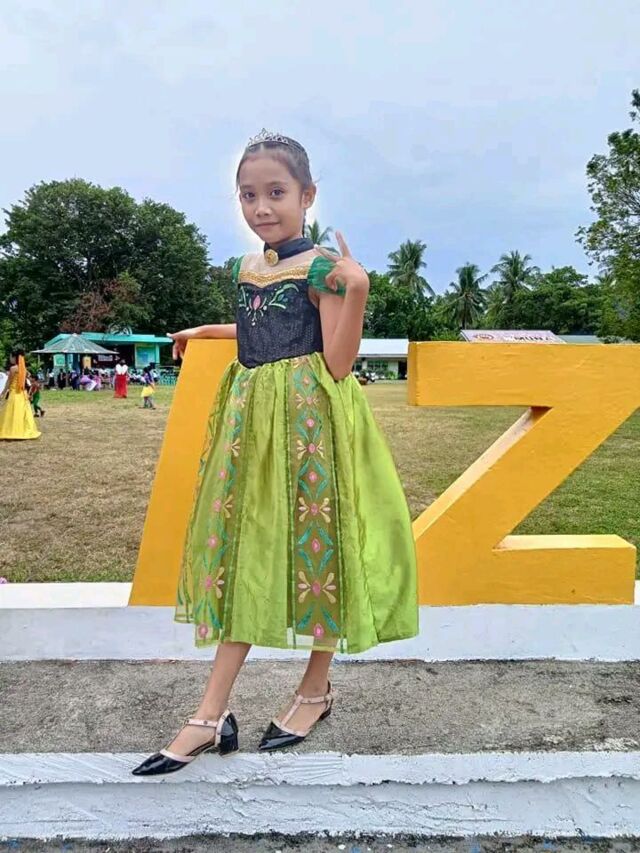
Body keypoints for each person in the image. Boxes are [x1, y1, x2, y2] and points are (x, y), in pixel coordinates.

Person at [132, 130, 418, 777]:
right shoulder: (246, 267)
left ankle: (309, 691)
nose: (261, 207)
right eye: (248, 194)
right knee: (245, 550)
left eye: (276, 192)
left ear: (307, 195)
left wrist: (357, 291)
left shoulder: (324, 268)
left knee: (318, 548)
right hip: (251, 425)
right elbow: (265, 329)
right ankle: (213, 713)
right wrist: (208, 329)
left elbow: (337, 361)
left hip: (310, 423)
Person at [0, 349, 41, 440]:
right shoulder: (23, 368)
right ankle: (22, 430)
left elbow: (8, 382)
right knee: (21, 413)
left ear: (15, 357)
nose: (10, 359)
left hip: (14, 393)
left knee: (12, 412)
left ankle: (13, 431)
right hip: (22, 394)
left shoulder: (13, 368)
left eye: (11, 357)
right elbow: (27, 378)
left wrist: (3, 393)